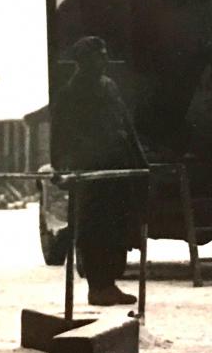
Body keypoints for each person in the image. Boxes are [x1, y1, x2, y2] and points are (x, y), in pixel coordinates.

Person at [51, 36, 148, 307]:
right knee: (95, 229)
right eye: (98, 55)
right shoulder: (71, 94)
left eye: (105, 54)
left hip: (117, 170)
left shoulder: (109, 87)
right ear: (82, 61)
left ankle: (110, 284)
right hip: (92, 175)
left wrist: (139, 163)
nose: (104, 60)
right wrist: (65, 167)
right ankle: (98, 286)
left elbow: (126, 128)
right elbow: (61, 137)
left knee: (118, 228)